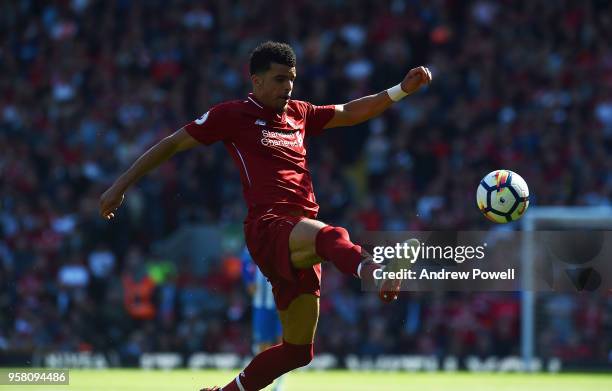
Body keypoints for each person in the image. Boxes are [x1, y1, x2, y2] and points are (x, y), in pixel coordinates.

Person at [99, 41, 432, 391]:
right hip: (269, 226)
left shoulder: (299, 113)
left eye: (291, 78)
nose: (287, 87)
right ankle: (376, 273)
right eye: (278, 79)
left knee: (298, 351)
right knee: (333, 236)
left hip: (299, 235)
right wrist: (120, 185)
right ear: (256, 81)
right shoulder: (232, 115)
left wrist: (400, 91)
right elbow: (172, 143)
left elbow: (349, 112)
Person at [241, 246, 284, 391]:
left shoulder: (284, 237)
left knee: (282, 343)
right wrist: (248, 281)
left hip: (282, 303)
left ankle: (279, 383)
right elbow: (245, 263)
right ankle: (261, 379)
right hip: (261, 304)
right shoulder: (254, 241)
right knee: (263, 346)